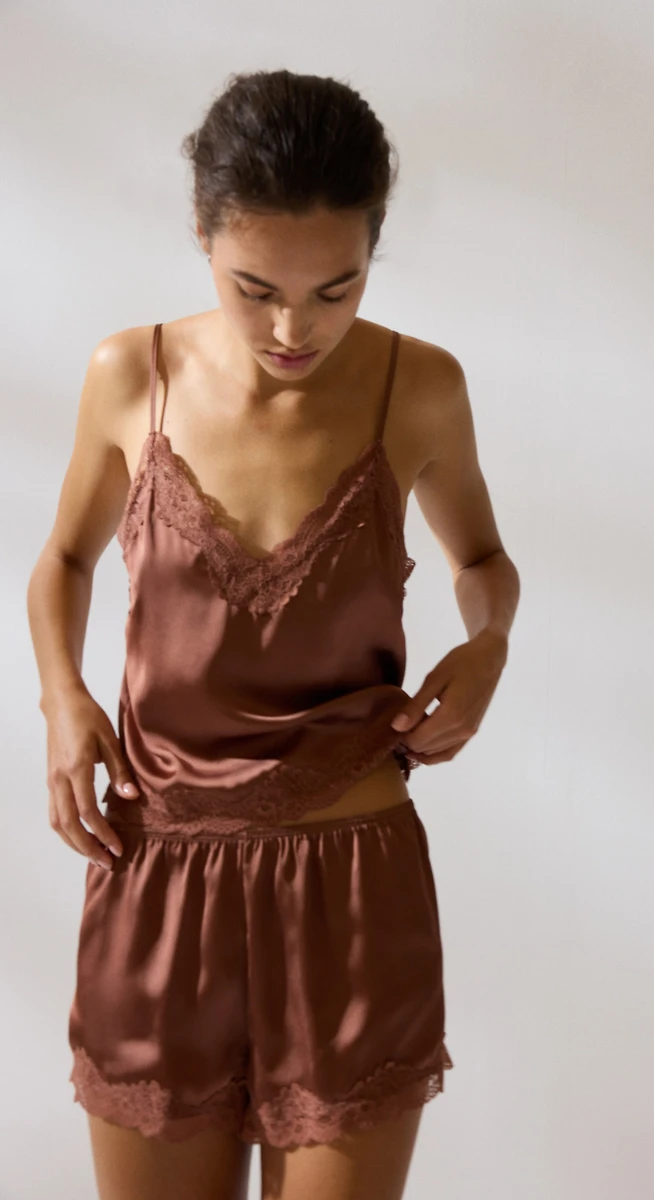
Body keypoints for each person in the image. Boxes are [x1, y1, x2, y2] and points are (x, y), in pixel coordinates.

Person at [26, 68, 519, 1200]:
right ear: (202, 235)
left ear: (374, 250)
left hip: (352, 892)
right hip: (156, 882)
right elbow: (62, 560)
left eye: (335, 291)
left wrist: (486, 646)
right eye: (255, 291)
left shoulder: (419, 387)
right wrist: (62, 700)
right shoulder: (130, 375)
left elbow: (483, 562)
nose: (295, 330)